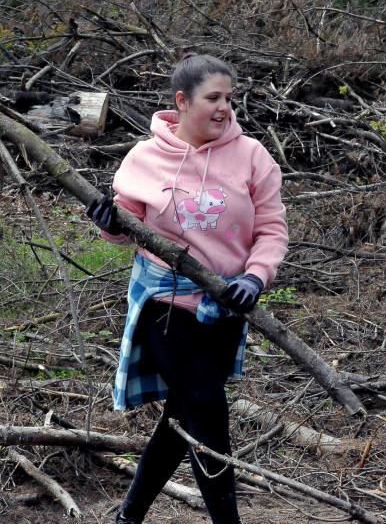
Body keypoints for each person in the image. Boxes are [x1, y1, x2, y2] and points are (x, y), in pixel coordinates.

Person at [86, 53, 289, 524]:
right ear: (182, 101)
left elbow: (273, 229)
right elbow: (126, 226)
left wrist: (255, 277)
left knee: (183, 417)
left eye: (229, 98)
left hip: (225, 306)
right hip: (165, 303)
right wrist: (108, 223)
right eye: (213, 98)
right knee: (206, 410)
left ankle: (128, 517)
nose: (224, 108)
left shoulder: (252, 155)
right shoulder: (145, 157)